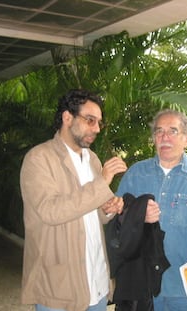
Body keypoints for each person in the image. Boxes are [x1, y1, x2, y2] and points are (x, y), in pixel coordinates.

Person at [20, 89, 128, 311]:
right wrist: (103, 181)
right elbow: (51, 212)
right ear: (67, 117)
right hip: (59, 285)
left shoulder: (92, 160)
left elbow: (95, 211)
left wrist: (108, 208)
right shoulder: (39, 159)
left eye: (99, 122)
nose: (97, 128)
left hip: (96, 280)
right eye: (90, 120)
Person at [116, 109, 187, 311]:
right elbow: (118, 224)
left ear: (186, 138)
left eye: (172, 131)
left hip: (185, 291)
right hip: (142, 289)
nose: (164, 137)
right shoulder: (136, 174)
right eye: (159, 131)